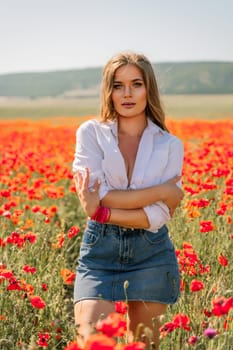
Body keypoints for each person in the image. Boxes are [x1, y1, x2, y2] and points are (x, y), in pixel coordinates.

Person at [72, 51, 184, 349]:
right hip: (100, 253)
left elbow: (158, 216)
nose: (127, 93)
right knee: (92, 340)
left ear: (149, 88)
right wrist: (162, 191)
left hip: (152, 252)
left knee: (144, 346)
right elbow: (102, 194)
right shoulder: (92, 134)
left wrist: (104, 213)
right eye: (118, 85)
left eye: (136, 84)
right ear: (108, 91)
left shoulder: (169, 145)